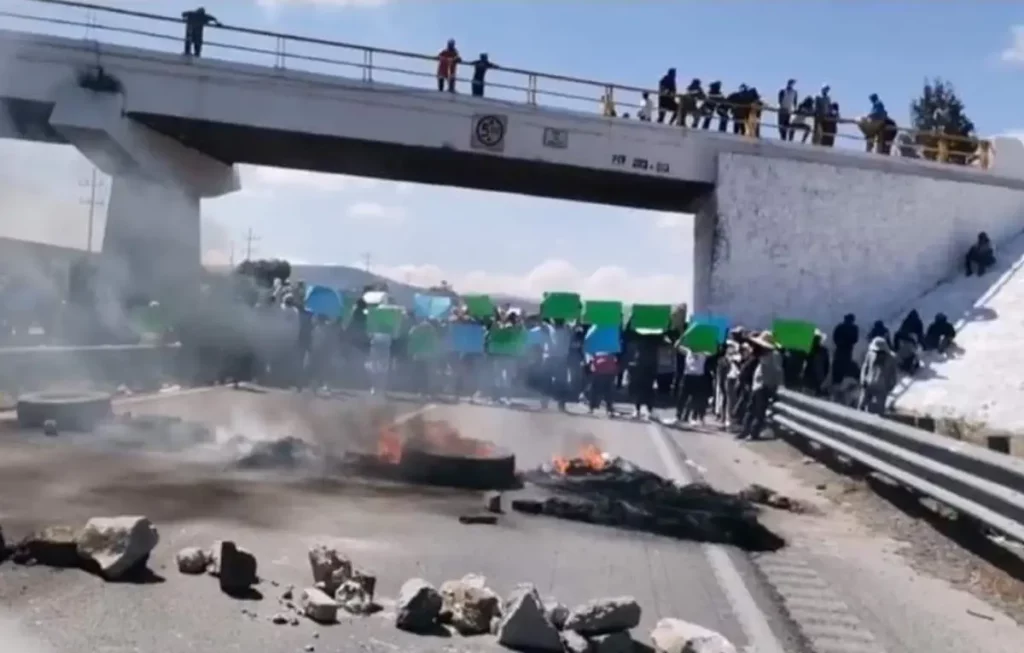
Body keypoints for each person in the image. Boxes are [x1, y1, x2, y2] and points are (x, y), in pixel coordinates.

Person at [738, 331, 783, 441]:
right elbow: (778, 371)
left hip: (760, 385)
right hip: (761, 385)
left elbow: (776, 371)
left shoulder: (766, 354)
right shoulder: (769, 354)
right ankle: (749, 432)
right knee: (756, 411)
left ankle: (748, 432)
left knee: (754, 410)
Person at [859, 336, 898, 415]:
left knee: (880, 409)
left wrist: (891, 386)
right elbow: (865, 367)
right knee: (861, 405)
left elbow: (893, 374)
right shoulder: (870, 354)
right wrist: (863, 379)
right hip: (868, 383)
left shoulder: (891, 358)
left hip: (882, 387)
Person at [587, 351, 617, 416]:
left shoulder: (595, 344)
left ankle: (592, 407)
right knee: (608, 390)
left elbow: (590, 357)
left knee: (596, 389)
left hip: (599, 367)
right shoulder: (612, 344)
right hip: (608, 368)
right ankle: (609, 408)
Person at [831, 314, 859, 385]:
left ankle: (834, 381)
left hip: (840, 348)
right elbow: (855, 339)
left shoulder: (840, 326)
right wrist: (848, 342)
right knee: (844, 366)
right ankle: (839, 382)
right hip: (847, 349)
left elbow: (834, 337)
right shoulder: (854, 328)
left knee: (837, 365)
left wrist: (839, 343)